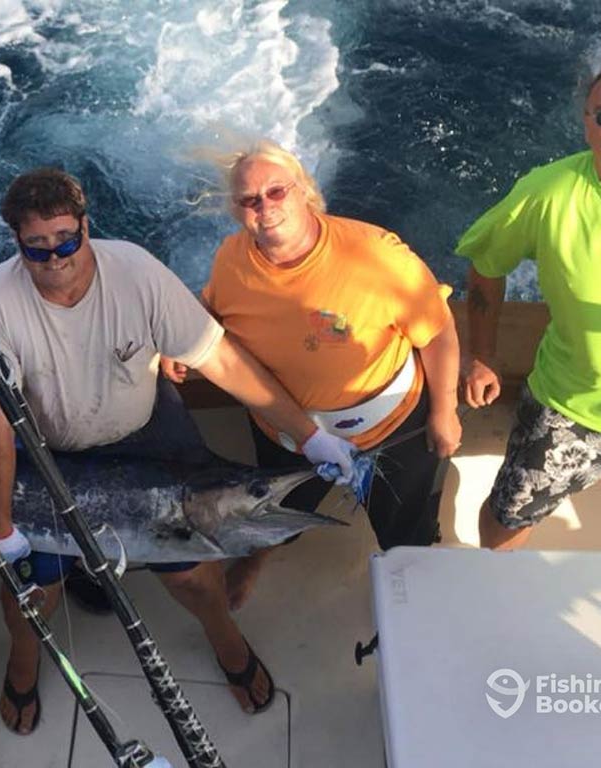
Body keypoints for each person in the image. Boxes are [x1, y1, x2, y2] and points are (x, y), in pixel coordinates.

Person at [0, 167, 359, 734]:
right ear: (17, 244)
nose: (55, 259)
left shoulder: (135, 270)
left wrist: (310, 435)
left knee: (195, 579)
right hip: (48, 452)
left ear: (85, 226)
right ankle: (24, 663)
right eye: (37, 248)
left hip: (146, 430)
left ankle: (227, 643)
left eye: (66, 241)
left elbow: (221, 361)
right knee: (29, 593)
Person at [166, 139, 462, 610]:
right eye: (250, 200)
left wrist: (445, 411)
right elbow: (214, 309)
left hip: (393, 429)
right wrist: (183, 343)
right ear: (237, 210)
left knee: (407, 527)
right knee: (279, 510)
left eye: (277, 191)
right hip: (286, 432)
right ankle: (264, 554)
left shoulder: (376, 254)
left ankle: (411, 580)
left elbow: (438, 331)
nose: (265, 207)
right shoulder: (231, 260)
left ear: (304, 190)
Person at [457, 48, 601, 550]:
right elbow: (486, 266)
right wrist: (483, 356)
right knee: (508, 512)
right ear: (588, 127)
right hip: (570, 403)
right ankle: (497, 589)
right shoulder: (547, 192)